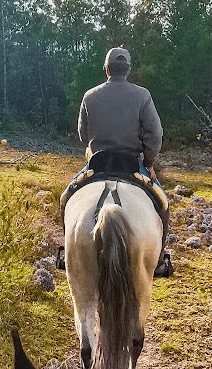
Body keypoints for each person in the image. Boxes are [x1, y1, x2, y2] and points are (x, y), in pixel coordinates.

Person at [59, 46, 173, 276]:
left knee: (66, 199)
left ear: (107, 69)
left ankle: (67, 253)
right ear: (128, 70)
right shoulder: (143, 95)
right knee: (163, 205)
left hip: (97, 164)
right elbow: (156, 134)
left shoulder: (90, 96)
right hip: (132, 166)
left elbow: (83, 135)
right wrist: (149, 162)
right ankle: (160, 260)